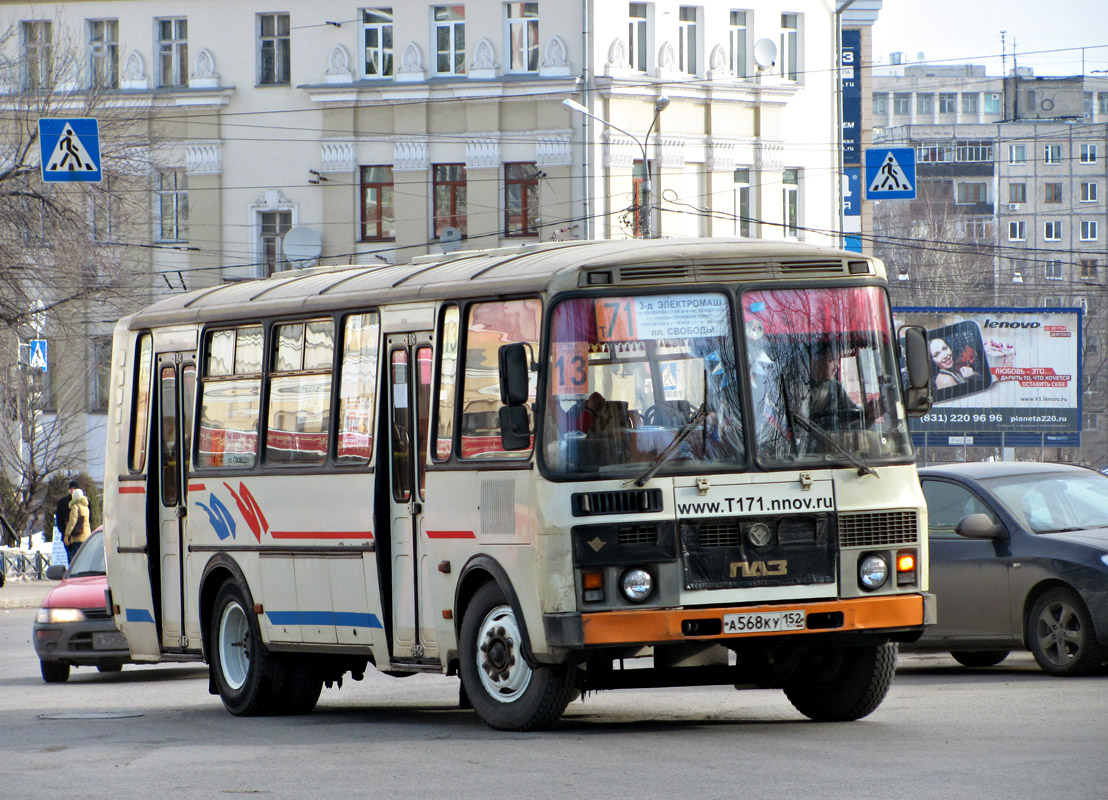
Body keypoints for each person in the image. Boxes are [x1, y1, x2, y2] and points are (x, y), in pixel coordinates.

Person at [805, 342, 881, 430]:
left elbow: (852, 416)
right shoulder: (798, 388)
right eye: (831, 359)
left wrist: (867, 414)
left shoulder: (835, 388)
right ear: (815, 360)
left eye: (838, 360)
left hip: (829, 441)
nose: (837, 366)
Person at [64, 488, 92, 563]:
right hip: (86, 536)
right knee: (84, 560)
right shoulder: (85, 507)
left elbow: (72, 521)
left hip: (78, 537)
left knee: (76, 562)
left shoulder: (76, 506)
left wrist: (67, 535)